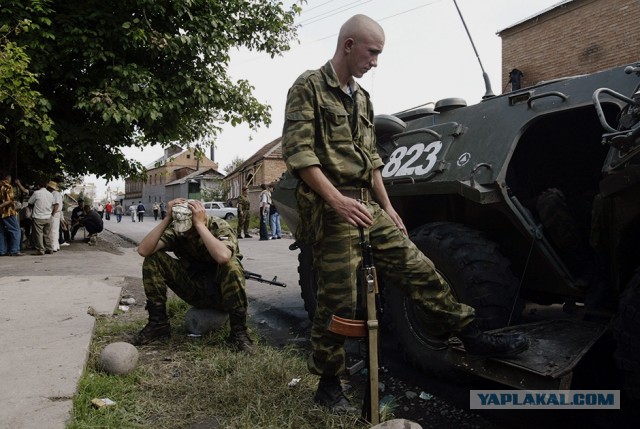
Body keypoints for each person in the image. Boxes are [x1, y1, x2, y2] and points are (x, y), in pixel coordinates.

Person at [281, 14, 529, 412]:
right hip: (334, 209)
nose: (375, 61)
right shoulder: (308, 86)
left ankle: (468, 331)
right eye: (372, 52)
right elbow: (299, 153)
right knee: (338, 304)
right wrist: (336, 201)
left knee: (419, 267)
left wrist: (389, 207)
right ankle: (328, 383)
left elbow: (373, 159)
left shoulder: (361, 98)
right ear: (348, 45)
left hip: (368, 204)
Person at [132, 198, 253, 353]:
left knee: (231, 264)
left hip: (223, 295)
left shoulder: (218, 226)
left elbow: (223, 256)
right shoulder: (179, 230)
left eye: (189, 229)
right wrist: (167, 218)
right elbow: (144, 250)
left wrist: (199, 225)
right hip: (195, 290)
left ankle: (239, 333)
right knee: (153, 259)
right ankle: (158, 324)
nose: (186, 234)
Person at [0, 170, 25, 256]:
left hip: (0, 213)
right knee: (16, 230)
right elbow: (9, 200)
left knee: (1, 231)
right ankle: (15, 250)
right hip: (8, 211)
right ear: (7, 178)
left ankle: (2, 250)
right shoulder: (8, 186)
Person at [27, 181, 54, 255]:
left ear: (38, 186)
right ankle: (49, 248)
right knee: (47, 234)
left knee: (38, 234)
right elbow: (52, 204)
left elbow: (30, 203)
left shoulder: (36, 193)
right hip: (48, 216)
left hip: (38, 217)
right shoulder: (50, 194)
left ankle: (41, 250)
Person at [47, 181, 62, 252]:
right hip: (56, 213)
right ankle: (56, 245)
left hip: (54, 213)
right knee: (55, 230)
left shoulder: (55, 194)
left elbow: (56, 205)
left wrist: (52, 214)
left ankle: (53, 246)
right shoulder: (57, 193)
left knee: (52, 231)